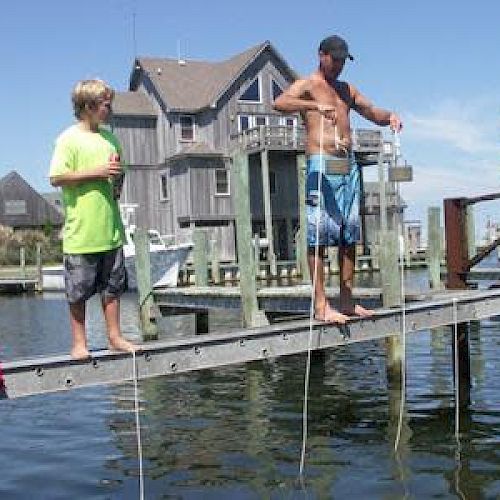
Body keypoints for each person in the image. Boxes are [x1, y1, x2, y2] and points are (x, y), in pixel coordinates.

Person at [274, 35, 402, 324]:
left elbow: (371, 111)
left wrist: (390, 116)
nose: (340, 65)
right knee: (319, 235)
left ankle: (346, 301)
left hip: (348, 165)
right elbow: (278, 102)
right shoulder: (307, 86)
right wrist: (313, 107)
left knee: (349, 236)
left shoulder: (347, 90)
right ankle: (321, 305)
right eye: (336, 59)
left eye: (344, 60)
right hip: (321, 164)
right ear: (321, 55)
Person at [49, 79, 138, 359]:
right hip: (81, 233)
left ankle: (115, 337)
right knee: (78, 292)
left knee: (113, 288)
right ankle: (79, 343)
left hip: (110, 230)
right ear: (88, 107)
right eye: (105, 104)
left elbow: (117, 173)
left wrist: (117, 179)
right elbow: (57, 177)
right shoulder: (68, 139)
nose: (110, 109)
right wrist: (97, 172)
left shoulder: (111, 138)